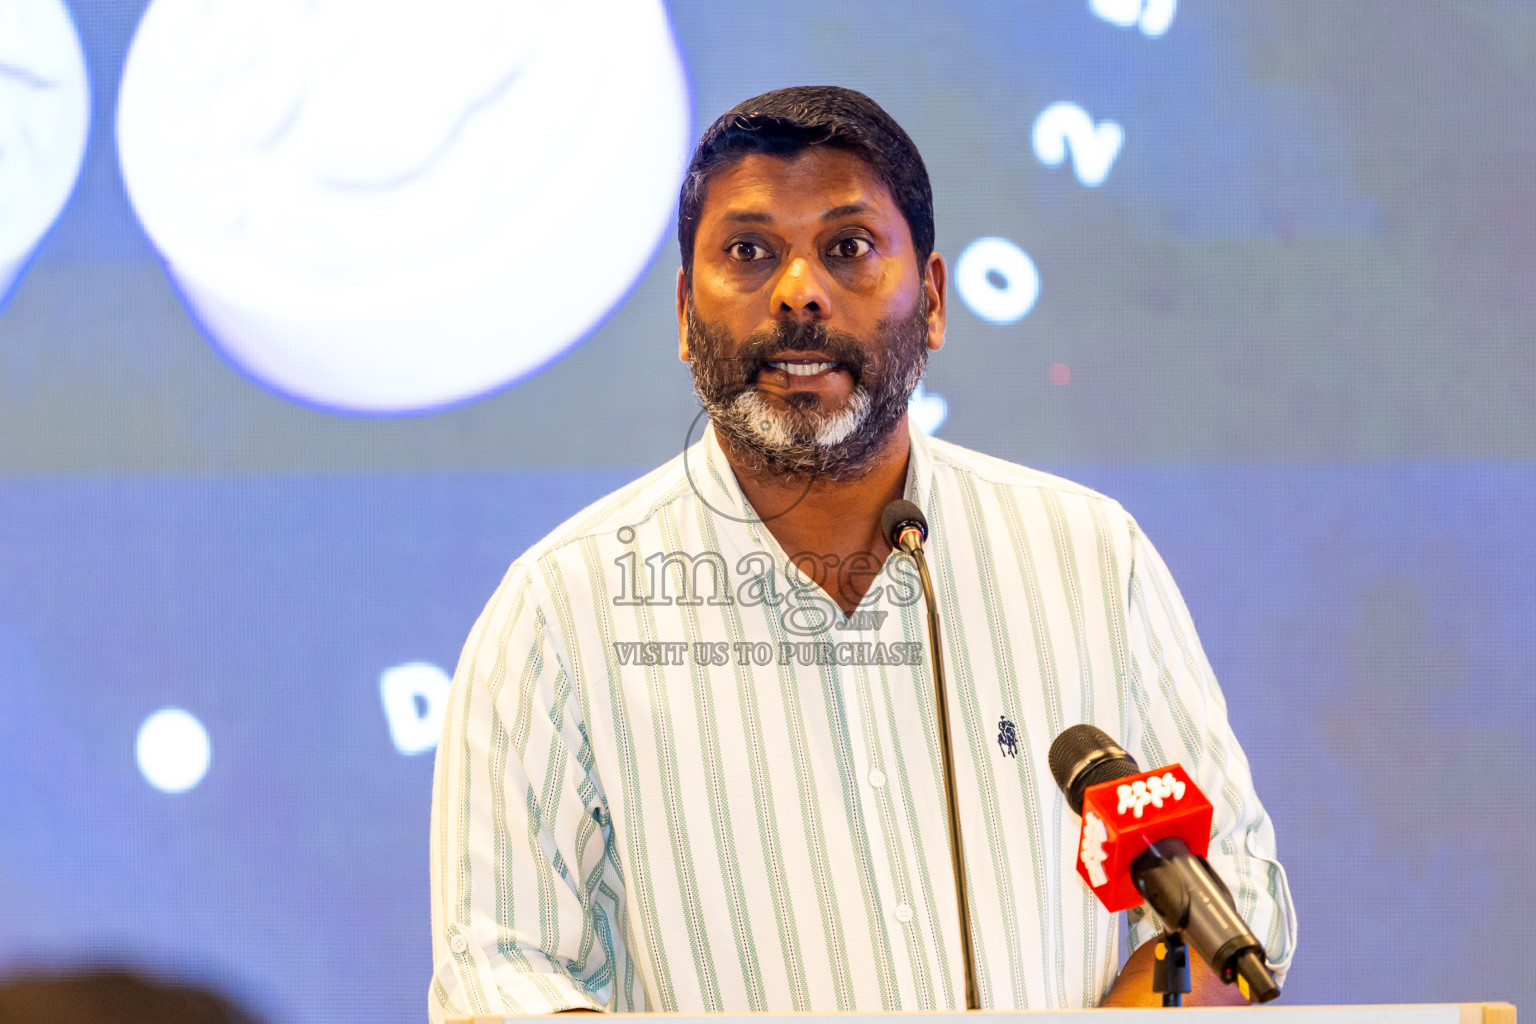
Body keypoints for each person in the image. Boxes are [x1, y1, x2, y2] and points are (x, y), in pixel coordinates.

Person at [428, 86, 1296, 1020]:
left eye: (847, 247)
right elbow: (502, 982)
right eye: (750, 252)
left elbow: (1226, 908)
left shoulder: (1091, 559)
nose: (800, 289)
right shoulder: (561, 612)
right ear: (685, 312)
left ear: (929, 302)